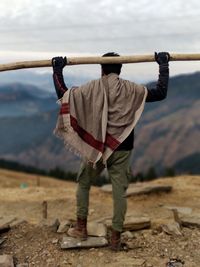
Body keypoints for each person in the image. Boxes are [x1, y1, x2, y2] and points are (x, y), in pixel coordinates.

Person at [52, 51, 170, 251]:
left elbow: (64, 94)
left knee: (84, 183)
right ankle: (115, 238)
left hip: (96, 147)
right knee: (119, 193)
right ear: (120, 68)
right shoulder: (131, 89)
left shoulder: (91, 88)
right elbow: (160, 92)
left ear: (101, 68)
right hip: (123, 147)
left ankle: (81, 228)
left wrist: (57, 69)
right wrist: (163, 65)